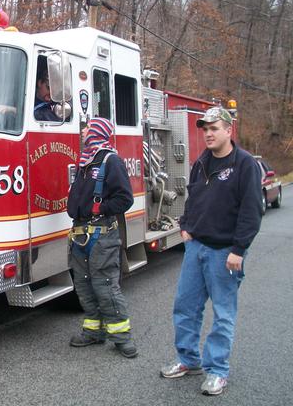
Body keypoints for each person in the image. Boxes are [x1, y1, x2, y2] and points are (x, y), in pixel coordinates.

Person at [160, 106, 262, 396]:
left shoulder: (244, 164)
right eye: (205, 129)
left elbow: (252, 211)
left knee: (223, 314)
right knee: (185, 307)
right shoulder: (201, 161)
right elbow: (193, 197)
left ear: (229, 130)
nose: (208, 133)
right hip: (196, 247)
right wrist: (186, 225)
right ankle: (188, 360)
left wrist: (239, 249)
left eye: (214, 128)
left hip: (225, 252)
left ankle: (217, 370)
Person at [66, 117, 137, 358]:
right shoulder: (85, 161)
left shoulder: (110, 160)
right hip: (80, 235)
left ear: (96, 131)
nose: (83, 131)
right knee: (84, 286)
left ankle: (122, 338)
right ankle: (93, 331)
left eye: (87, 127)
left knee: (105, 286)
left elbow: (125, 199)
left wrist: (99, 208)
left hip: (102, 235)